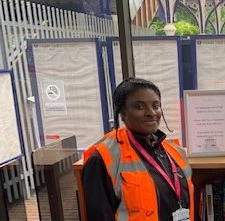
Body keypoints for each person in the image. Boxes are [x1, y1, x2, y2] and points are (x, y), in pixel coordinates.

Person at [82, 78, 194, 221]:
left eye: (155, 106)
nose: (151, 113)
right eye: (139, 107)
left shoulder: (176, 152)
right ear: (123, 112)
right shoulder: (103, 159)